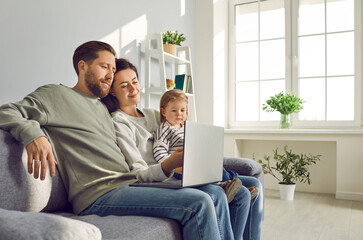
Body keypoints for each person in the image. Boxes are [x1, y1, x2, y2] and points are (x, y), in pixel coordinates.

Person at [0, 41, 240, 240]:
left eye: (113, 70)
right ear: (83, 66)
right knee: (198, 203)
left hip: (128, 183)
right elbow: (6, 111)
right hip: (97, 194)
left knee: (212, 193)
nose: (110, 75)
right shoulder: (55, 94)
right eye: (105, 67)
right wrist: (35, 134)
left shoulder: (103, 108)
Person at [102, 58, 263, 240]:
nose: (133, 89)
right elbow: (139, 172)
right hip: (161, 178)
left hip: (185, 171)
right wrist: (170, 164)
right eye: (124, 85)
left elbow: (181, 128)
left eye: (135, 81)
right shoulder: (119, 122)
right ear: (113, 92)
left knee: (251, 185)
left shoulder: (154, 114)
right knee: (217, 192)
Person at [153, 89, 258, 203]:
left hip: (195, 165)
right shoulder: (165, 129)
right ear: (164, 112)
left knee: (215, 169)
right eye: (174, 110)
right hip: (180, 170)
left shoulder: (186, 127)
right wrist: (170, 165)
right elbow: (159, 150)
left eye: (182, 110)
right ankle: (231, 184)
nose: (179, 113)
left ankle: (232, 185)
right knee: (214, 172)